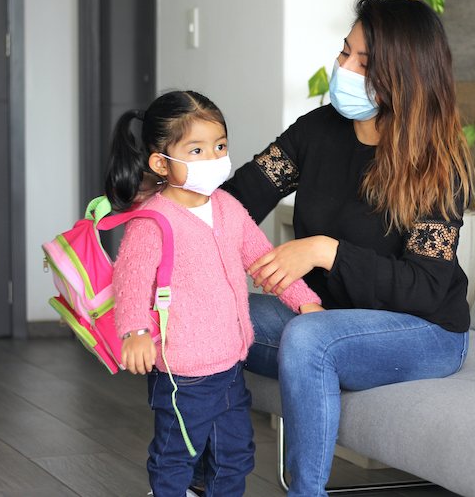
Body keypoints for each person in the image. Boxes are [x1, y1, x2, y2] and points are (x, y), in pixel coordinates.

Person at [220, 0, 475, 496]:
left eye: (363, 62)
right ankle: (205, 483)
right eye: (344, 53)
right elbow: (239, 201)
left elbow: (424, 290)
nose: (344, 68)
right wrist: (170, 214)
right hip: (325, 315)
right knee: (211, 314)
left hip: (424, 332)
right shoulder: (318, 131)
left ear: (403, 75)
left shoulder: (438, 166)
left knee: (309, 338)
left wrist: (324, 250)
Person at [106, 90, 323, 497]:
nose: (214, 158)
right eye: (197, 149)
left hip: (229, 366)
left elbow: (265, 261)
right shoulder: (154, 221)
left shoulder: (228, 208)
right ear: (160, 162)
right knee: (175, 458)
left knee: (235, 456)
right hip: (180, 373)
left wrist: (304, 300)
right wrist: (134, 331)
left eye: (219, 146)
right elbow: (130, 280)